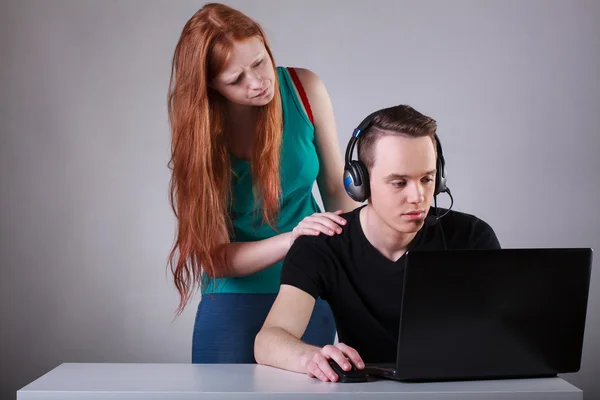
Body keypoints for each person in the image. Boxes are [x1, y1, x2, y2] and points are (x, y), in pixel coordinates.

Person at [166, 3, 359, 363]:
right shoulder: (200, 135)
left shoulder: (304, 89)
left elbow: (336, 189)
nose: (257, 83)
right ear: (211, 85)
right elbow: (215, 259)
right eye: (235, 80)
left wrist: (364, 261)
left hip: (308, 289)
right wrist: (294, 239)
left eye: (259, 62)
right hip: (233, 295)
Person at [254, 104, 501, 382]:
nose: (418, 196)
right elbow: (268, 341)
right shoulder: (323, 245)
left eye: (427, 179)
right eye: (399, 182)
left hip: (459, 388)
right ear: (360, 183)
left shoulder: (471, 237)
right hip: (365, 391)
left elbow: (504, 334)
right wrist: (309, 357)